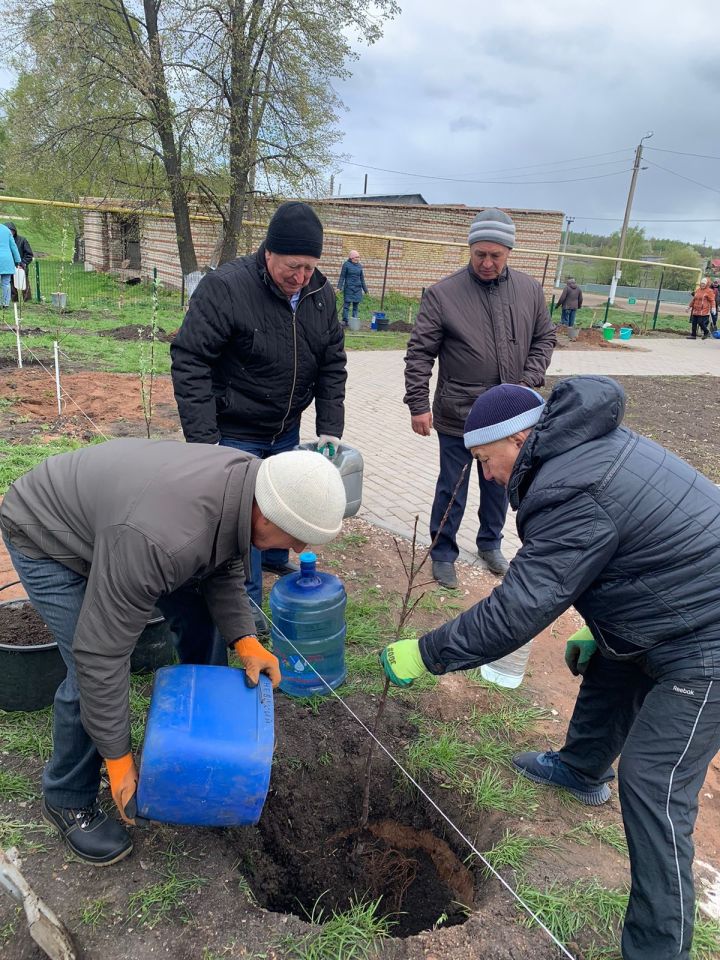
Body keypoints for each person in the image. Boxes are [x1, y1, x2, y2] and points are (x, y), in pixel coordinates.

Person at [380, 376, 720, 960]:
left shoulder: (572, 486)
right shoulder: (581, 449)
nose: (486, 475)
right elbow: (638, 544)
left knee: (653, 781)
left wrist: (428, 652)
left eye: (486, 460)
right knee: (616, 657)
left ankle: (659, 949)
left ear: (517, 440)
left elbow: (518, 610)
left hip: (708, 642)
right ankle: (580, 769)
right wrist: (603, 625)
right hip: (679, 608)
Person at [0, 440, 346, 866]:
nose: (293, 549)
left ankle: (200, 733)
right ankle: (67, 797)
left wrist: (245, 638)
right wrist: (119, 760)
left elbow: (221, 563)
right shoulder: (161, 541)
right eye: (294, 538)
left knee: (202, 619)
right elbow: (100, 656)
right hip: (46, 531)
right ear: (266, 511)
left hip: (124, 527)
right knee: (88, 664)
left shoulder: (247, 485)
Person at [171, 201, 347, 632]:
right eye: (293, 266)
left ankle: (274, 561)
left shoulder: (321, 296)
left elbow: (332, 364)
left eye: (309, 267)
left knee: (283, 502)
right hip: (234, 429)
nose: (301, 277)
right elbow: (190, 358)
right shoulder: (226, 288)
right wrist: (204, 438)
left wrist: (330, 428)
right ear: (268, 251)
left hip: (285, 426)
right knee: (243, 521)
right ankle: (246, 608)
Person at [403, 207, 555, 587]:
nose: (486, 262)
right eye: (479, 254)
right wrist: (418, 403)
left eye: (495, 256)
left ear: (509, 253)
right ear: (469, 249)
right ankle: (442, 552)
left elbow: (544, 339)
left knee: (501, 482)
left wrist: (527, 381)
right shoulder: (443, 294)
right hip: (460, 413)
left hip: (511, 417)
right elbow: (420, 352)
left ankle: (490, 543)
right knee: (452, 485)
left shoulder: (529, 291)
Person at [337, 249, 369, 326]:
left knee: (355, 306)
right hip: (349, 288)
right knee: (346, 305)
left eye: (358, 257)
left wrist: (365, 290)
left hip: (357, 289)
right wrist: (339, 287)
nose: (358, 259)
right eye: (356, 257)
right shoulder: (346, 265)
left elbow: (362, 279)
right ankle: (345, 321)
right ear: (351, 257)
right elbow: (342, 277)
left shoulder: (360, 266)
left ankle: (354, 321)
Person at [6, 221, 33, 303]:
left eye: (12, 231)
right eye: (8, 231)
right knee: (11, 285)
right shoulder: (3, 241)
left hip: (21, 267)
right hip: (9, 267)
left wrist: (23, 264)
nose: (10, 233)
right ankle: (14, 301)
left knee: (24, 284)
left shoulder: (22, 240)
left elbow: (29, 254)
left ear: (15, 231)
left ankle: (28, 301)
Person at [0, 221, 21, 308]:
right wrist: (18, 260)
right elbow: (13, 246)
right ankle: (5, 303)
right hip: (7, 260)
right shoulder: (6, 230)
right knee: (6, 283)